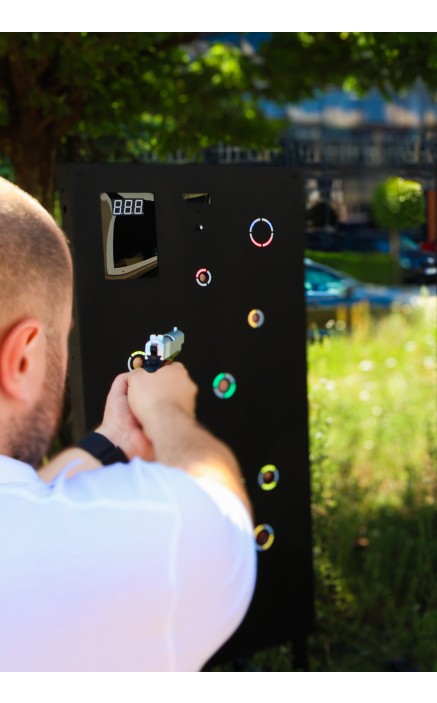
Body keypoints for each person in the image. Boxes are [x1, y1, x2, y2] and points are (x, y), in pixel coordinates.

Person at [0, 177, 256, 671]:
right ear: (24, 357)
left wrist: (108, 440)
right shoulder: (159, 543)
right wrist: (169, 411)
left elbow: (29, 504)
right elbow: (219, 509)